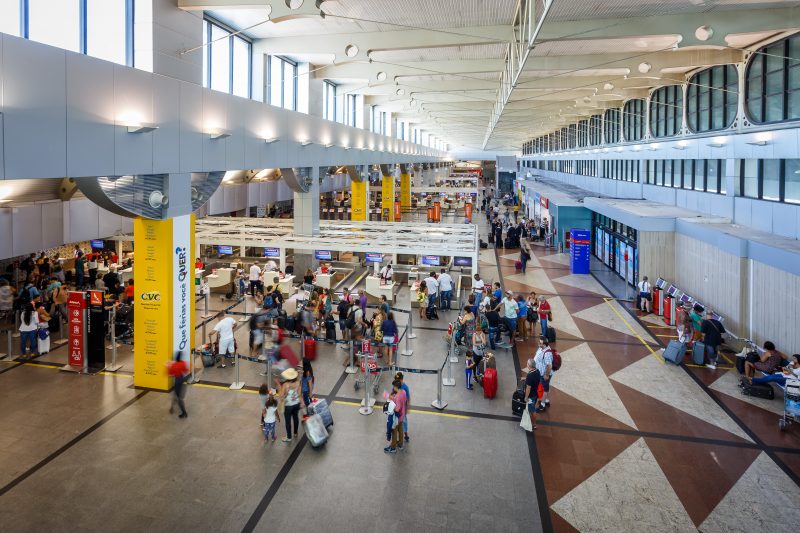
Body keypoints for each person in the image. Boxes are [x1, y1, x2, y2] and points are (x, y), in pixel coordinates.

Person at [280, 368, 303, 443]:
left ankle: (289, 437)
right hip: (296, 404)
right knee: (296, 417)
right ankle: (295, 433)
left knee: (288, 421)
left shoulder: (285, 384)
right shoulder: (298, 382)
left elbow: (281, 396)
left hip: (288, 405)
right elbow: (299, 394)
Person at [386, 379, 407, 453]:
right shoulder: (403, 392)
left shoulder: (397, 396)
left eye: (393, 386)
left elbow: (397, 409)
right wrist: (393, 398)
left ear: (396, 387)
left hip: (397, 417)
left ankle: (393, 447)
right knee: (400, 429)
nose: (393, 388)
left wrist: (391, 406)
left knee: (394, 431)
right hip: (402, 415)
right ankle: (401, 444)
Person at [534, 337, 554, 411]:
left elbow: (549, 365)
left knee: (545, 389)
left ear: (545, 345)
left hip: (544, 374)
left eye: (540, 343)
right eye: (539, 342)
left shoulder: (547, 353)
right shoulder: (541, 348)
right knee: (545, 386)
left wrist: (546, 375)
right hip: (541, 373)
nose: (539, 344)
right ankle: (546, 400)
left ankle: (542, 405)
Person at [167, 352, 189, 419]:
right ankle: (171, 408)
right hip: (183, 380)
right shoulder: (183, 363)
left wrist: (168, 366)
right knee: (176, 395)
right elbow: (186, 371)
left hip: (177, 381)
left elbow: (170, 374)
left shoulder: (174, 365)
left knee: (178, 398)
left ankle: (184, 412)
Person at [522, 358, 542, 430]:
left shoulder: (530, 375)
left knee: (532, 410)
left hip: (531, 396)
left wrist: (526, 397)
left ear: (529, 365)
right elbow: (535, 380)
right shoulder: (537, 371)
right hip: (535, 393)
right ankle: (533, 422)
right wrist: (526, 379)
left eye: (527, 363)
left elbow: (528, 388)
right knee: (532, 409)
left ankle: (534, 424)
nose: (526, 364)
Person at [395, 371, 411, 442]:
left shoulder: (405, 387)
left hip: (403, 408)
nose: (397, 381)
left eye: (398, 380)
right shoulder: (395, 385)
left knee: (404, 421)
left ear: (402, 379)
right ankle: (398, 433)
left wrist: (408, 408)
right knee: (396, 421)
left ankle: (406, 434)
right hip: (396, 406)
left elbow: (408, 398)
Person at [384, 389, 398, 454]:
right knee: (389, 431)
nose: (391, 397)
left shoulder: (393, 403)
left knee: (390, 432)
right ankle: (391, 445)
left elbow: (396, 411)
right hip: (390, 417)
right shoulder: (391, 401)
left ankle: (390, 447)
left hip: (392, 419)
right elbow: (385, 394)